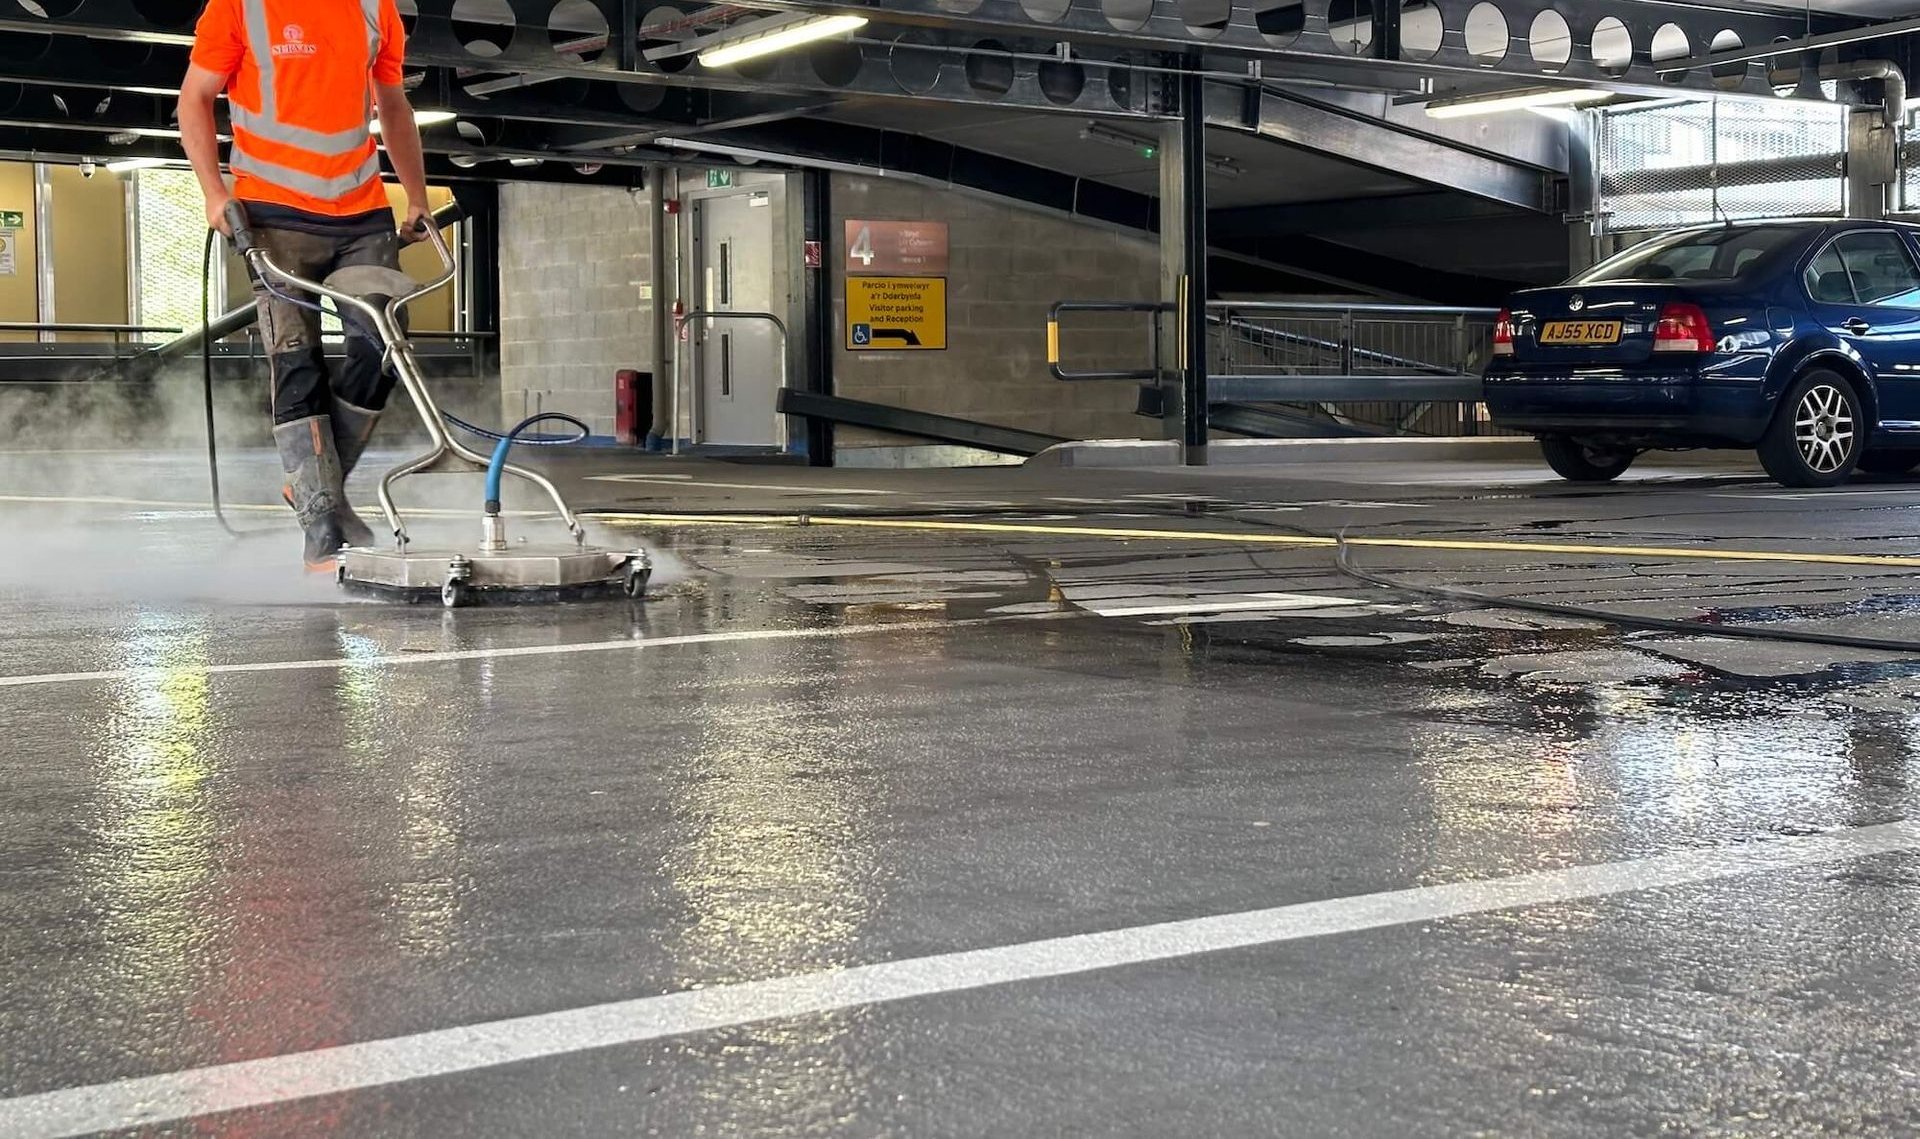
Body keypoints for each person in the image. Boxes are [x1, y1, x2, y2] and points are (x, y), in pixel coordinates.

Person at [178, 0, 433, 570]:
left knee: (383, 343)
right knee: (297, 358)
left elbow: (392, 103)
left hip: (362, 210)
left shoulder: (375, 8)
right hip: (272, 214)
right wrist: (214, 193)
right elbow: (194, 99)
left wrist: (415, 195)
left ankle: (319, 487)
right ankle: (320, 520)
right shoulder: (238, 8)